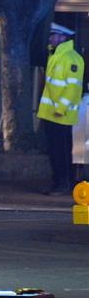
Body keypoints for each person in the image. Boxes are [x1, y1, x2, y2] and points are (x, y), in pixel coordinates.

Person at [38, 22, 84, 195]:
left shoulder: (71, 58)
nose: (51, 38)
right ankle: (61, 182)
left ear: (63, 37)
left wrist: (61, 108)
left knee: (61, 152)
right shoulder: (57, 55)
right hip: (53, 114)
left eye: (54, 35)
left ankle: (63, 184)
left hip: (60, 115)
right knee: (57, 151)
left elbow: (73, 88)